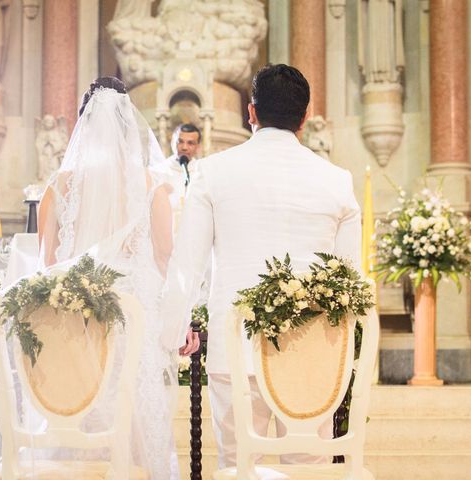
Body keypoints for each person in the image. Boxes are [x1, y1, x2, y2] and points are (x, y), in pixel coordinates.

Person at [0, 77, 195, 480]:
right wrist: (180, 319)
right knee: (133, 428)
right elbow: (165, 258)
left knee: (71, 416)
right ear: (129, 127)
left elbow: (46, 268)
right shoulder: (152, 186)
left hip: (70, 327)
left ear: (81, 126)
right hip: (132, 322)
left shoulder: (57, 187)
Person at [159, 64, 362, 468]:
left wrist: (171, 333)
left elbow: (187, 264)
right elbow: (349, 281)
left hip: (234, 351)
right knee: (309, 469)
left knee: (238, 465)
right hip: (312, 355)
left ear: (251, 112)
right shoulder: (337, 180)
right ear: (304, 118)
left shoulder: (212, 173)